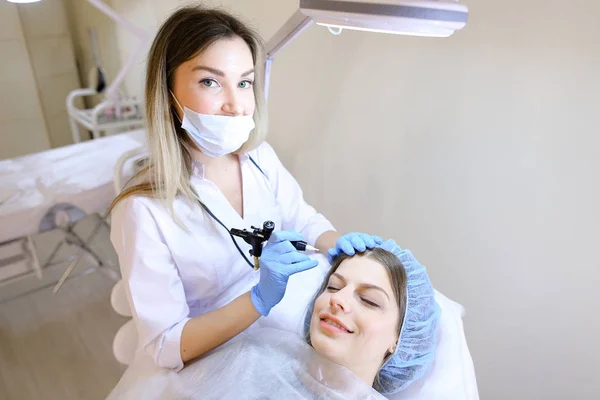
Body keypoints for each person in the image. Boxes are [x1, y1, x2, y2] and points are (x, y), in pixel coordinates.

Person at [109, 4, 386, 374]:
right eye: (210, 81)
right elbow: (167, 345)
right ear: (167, 91)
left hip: (281, 325)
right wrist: (257, 299)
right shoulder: (142, 210)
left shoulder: (259, 158)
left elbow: (301, 217)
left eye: (244, 82)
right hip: (213, 355)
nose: (236, 105)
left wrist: (336, 243)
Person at [106, 240, 440, 399]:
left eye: (368, 300)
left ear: (401, 340)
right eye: (334, 286)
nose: (337, 299)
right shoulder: (253, 356)